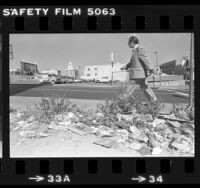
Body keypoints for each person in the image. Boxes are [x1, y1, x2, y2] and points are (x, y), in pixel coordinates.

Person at [120, 36, 158, 103]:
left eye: (129, 42)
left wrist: (151, 68)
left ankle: (121, 101)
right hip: (140, 75)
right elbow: (133, 62)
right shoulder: (135, 50)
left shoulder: (139, 49)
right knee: (145, 88)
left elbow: (145, 59)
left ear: (132, 42)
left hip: (137, 75)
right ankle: (154, 101)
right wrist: (125, 66)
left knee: (128, 88)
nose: (128, 44)